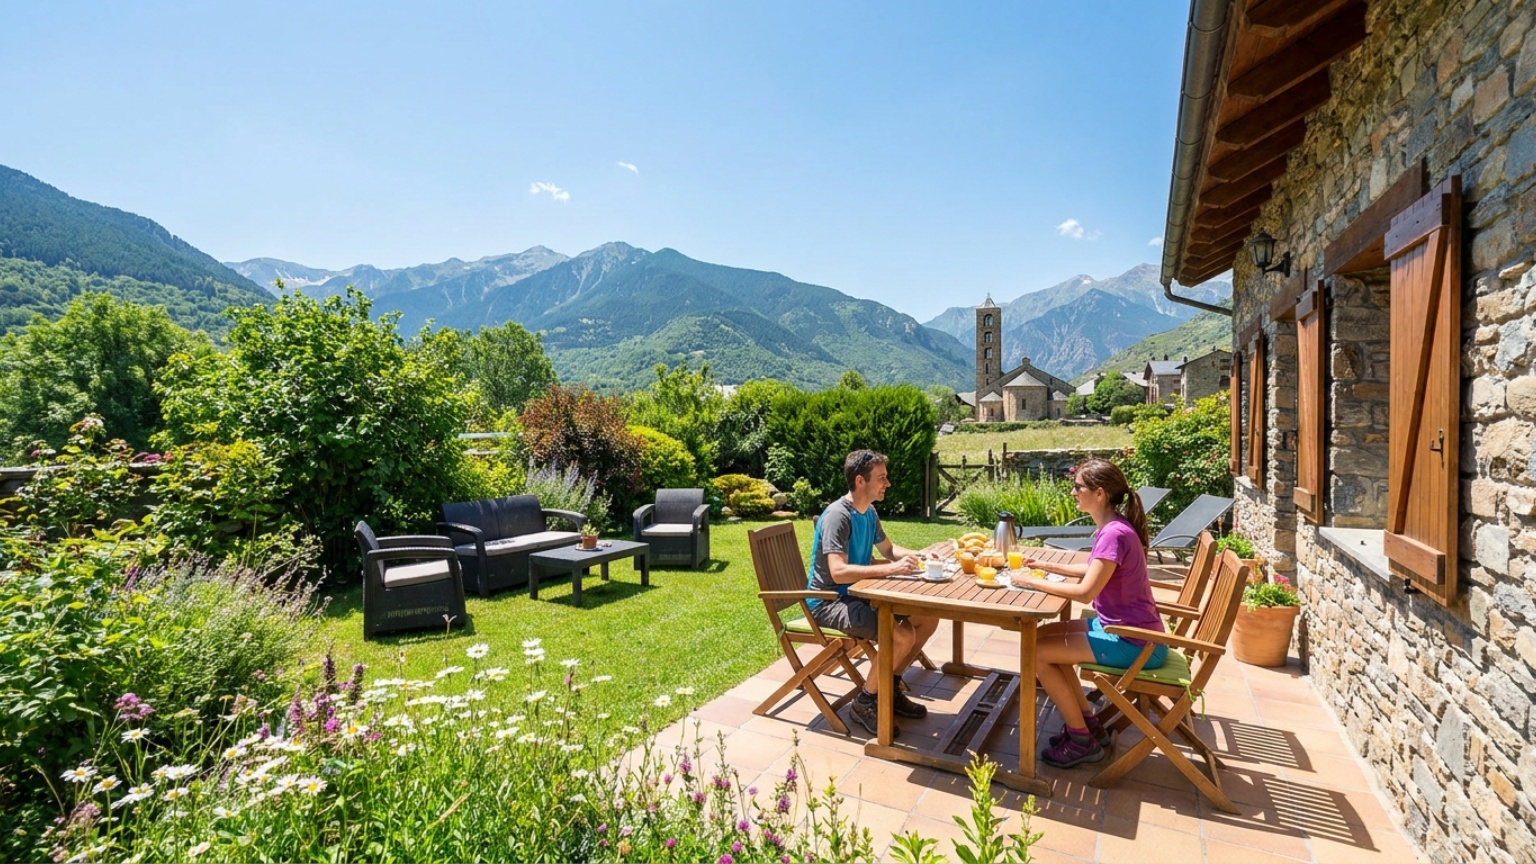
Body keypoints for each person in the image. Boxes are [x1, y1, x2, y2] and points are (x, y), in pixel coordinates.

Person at [1017, 458, 1168, 768]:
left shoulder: (1114, 533)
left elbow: (1087, 591)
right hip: (1124, 631)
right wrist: (1046, 566)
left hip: (1136, 643)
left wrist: (1031, 582)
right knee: (1038, 638)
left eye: (1078, 487)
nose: (1073, 492)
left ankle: (1080, 738)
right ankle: (1089, 723)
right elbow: (1091, 568)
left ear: (1099, 494)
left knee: (1035, 653)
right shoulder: (1113, 527)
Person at [807, 449, 945, 736]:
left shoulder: (868, 512)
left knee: (926, 617)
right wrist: (889, 570)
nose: (888, 483)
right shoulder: (837, 516)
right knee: (901, 634)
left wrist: (921, 554)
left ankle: (889, 687)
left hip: (860, 593)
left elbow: (889, 551)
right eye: (882, 478)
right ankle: (864, 702)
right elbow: (838, 572)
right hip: (831, 601)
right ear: (861, 481)